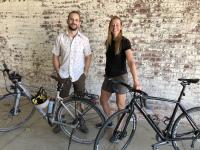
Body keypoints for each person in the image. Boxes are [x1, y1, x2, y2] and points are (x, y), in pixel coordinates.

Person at [96, 16, 141, 133]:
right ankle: (109, 120)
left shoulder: (125, 41)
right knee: (103, 100)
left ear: (120, 27)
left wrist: (136, 81)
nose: (114, 26)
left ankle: (119, 130)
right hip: (109, 77)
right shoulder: (108, 42)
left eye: (117, 24)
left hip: (120, 78)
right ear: (110, 27)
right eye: (112, 24)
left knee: (120, 106)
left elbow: (131, 61)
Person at [52, 11, 92, 133]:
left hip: (79, 75)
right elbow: (55, 56)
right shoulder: (60, 38)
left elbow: (88, 56)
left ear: (79, 23)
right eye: (71, 19)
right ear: (67, 20)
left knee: (80, 100)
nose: (73, 22)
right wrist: (58, 71)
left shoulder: (84, 39)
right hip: (64, 75)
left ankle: (80, 121)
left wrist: (85, 72)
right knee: (62, 100)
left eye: (76, 20)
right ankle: (60, 120)